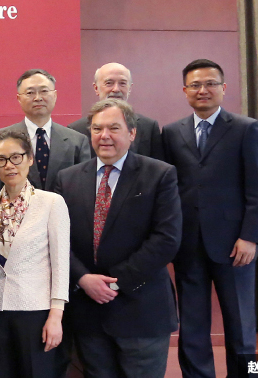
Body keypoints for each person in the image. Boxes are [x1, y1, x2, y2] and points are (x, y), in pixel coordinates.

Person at [53, 99, 181, 378]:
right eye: (97, 129)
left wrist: (115, 282)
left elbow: (166, 239)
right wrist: (82, 278)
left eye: (113, 128)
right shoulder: (68, 178)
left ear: (132, 133)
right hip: (88, 311)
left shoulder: (159, 174)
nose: (104, 136)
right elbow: (57, 239)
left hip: (141, 309)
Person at [163, 59, 258, 378]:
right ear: (185, 91)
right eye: (195, 85)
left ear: (223, 88)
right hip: (188, 244)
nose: (203, 90)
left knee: (240, 324)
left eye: (210, 83)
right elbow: (168, 189)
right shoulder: (172, 133)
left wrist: (250, 237)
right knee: (193, 325)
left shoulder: (245, 128)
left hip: (235, 245)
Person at [0, 128, 70, 378]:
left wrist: (56, 315)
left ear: (29, 159)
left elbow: (61, 264)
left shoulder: (51, 203)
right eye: (1, 159)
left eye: (16, 157)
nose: (9, 165)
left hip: (36, 313)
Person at [2, 69, 91, 191]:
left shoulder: (77, 141)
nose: (38, 98)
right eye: (30, 93)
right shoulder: (2, 139)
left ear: (55, 95)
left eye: (44, 91)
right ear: (19, 98)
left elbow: (84, 186)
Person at [66, 63, 165, 160]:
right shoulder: (76, 130)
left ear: (130, 88)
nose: (116, 89)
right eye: (109, 83)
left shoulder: (149, 127)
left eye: (122, 83)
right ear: (96, 88)